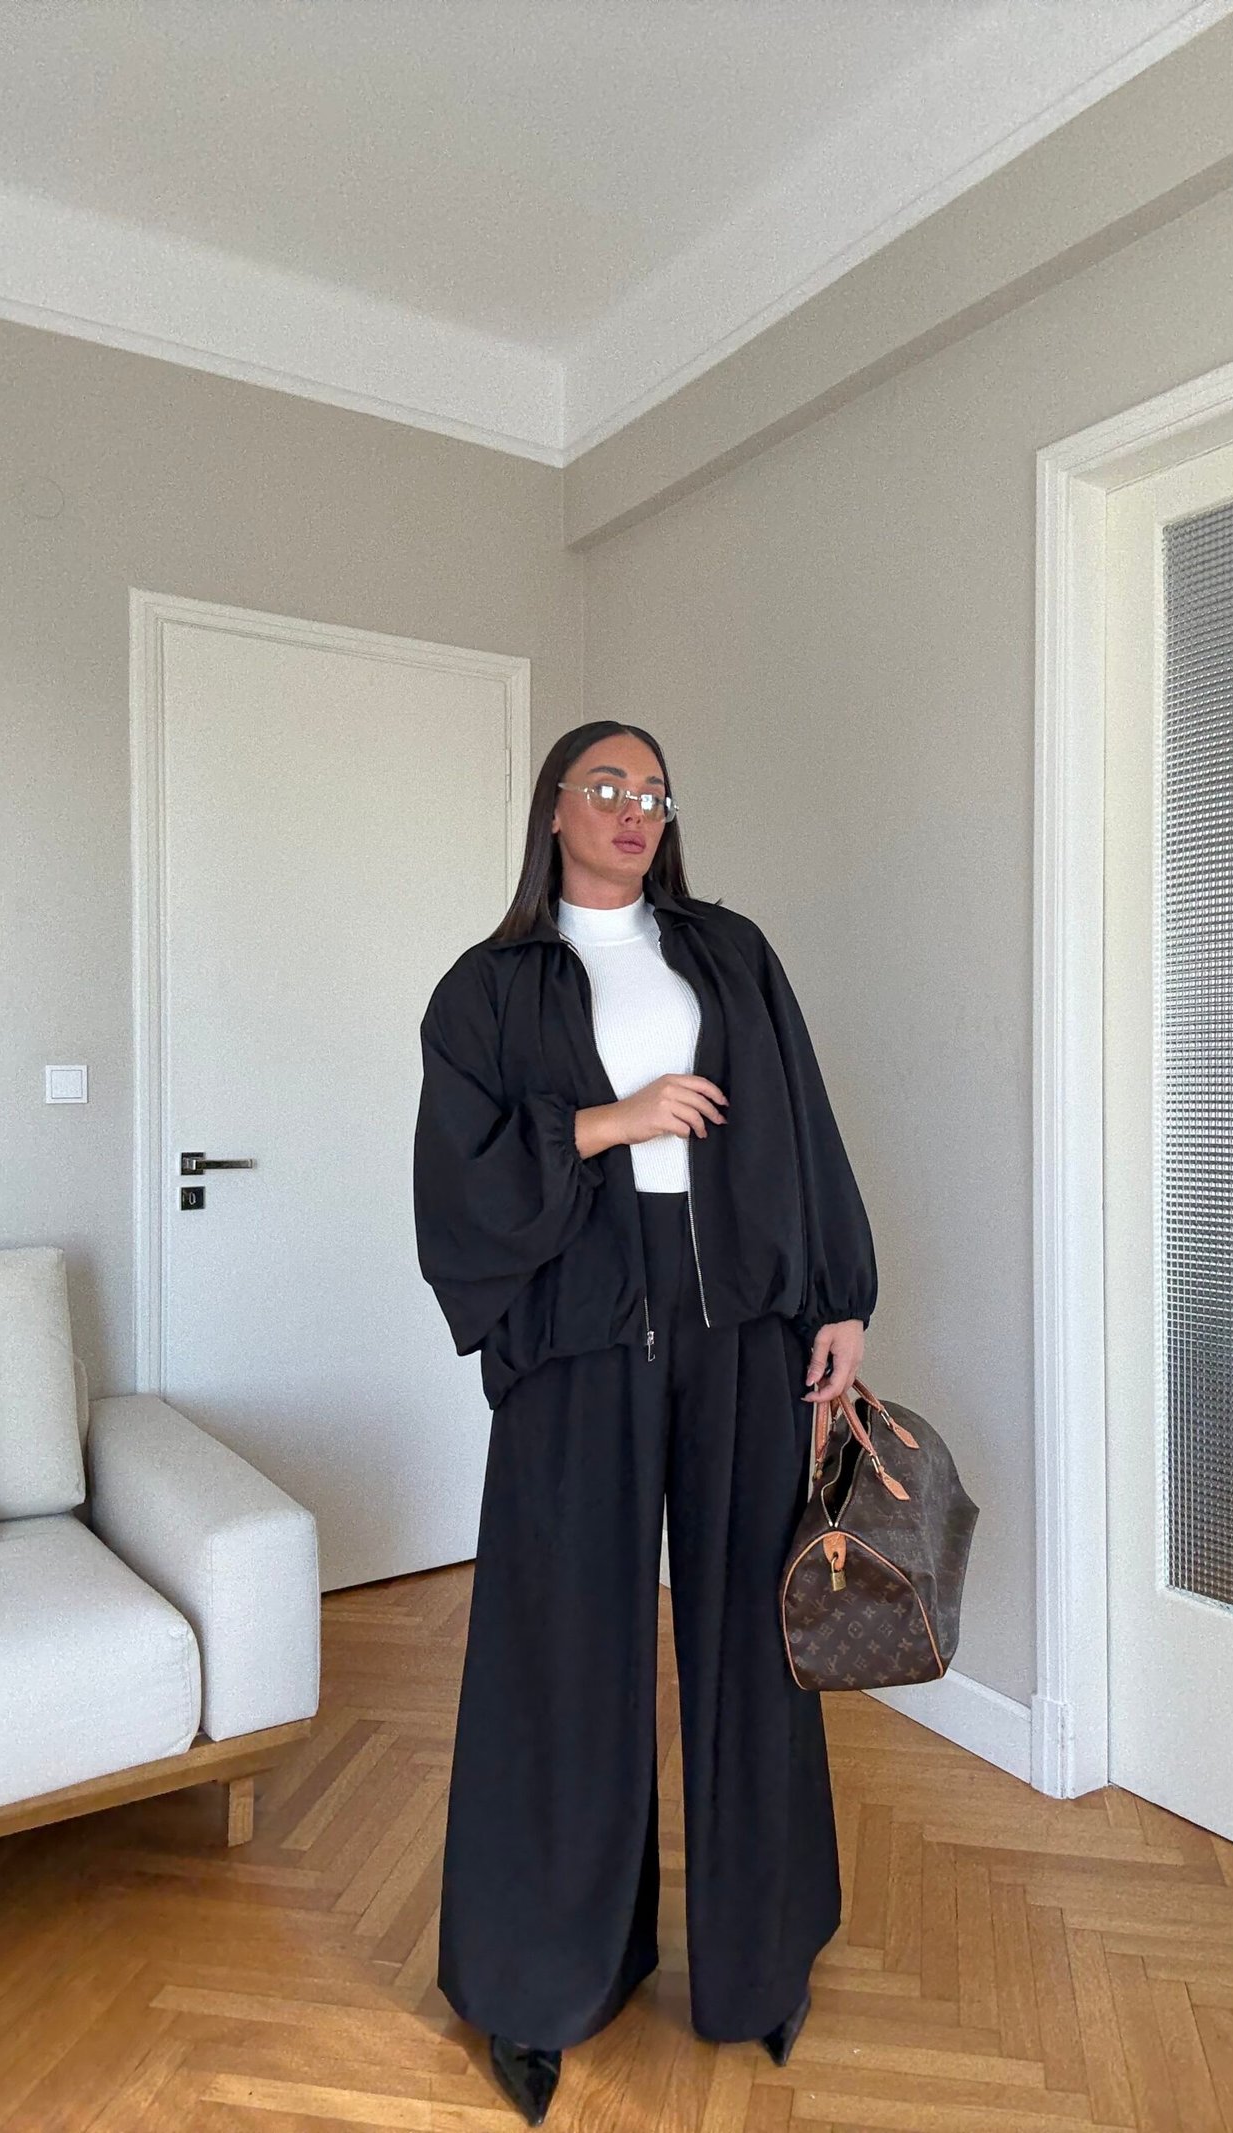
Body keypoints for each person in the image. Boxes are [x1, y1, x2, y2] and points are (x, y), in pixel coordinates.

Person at [412, 720, 878, 2124]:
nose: (633, 808)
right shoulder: (489, 988)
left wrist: (841, 1301)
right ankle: (538, 1985)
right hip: (577, 1340)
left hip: (740, 1332)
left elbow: (803, 1124)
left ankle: (760, 1962)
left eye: (653, 791)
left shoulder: (730, 955)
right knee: (562, 1651)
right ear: (554, 807)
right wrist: (610, 1122)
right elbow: (456, 1181)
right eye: (606, 786)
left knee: (753, 1641)